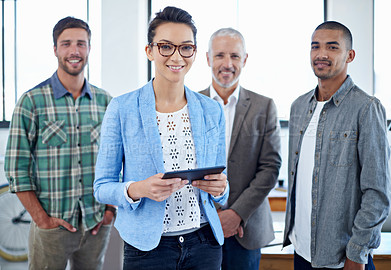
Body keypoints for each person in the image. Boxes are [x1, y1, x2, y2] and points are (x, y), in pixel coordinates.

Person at [93, 6, 228, 270]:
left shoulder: (212, 110)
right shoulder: (123, 108)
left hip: (204, 244)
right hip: (147, 249)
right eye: (166, 46)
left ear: (194, 53)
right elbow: (101, 187)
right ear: (150, 50)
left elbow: (222, 186)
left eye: (185, 47)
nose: (176, 56)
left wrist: (221, 189)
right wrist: (138, 189)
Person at [4, 17, 113, 270]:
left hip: (96, 223)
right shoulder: (31, 102)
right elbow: (16, 168)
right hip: (51, 227)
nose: (74, 51)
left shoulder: (105, 102)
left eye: (81, 44)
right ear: (55, 49)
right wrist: (41, 219)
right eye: (66, 44)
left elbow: (118, 160)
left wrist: (110, 211)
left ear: (89, 48)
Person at [283, 21, 391, 270]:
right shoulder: (298, 107)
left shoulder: (366, 108)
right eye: (315, 47)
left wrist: (358, 253)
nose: (321, 54)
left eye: (332, 47)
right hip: (302, 252)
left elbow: (378, 193)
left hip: (344, 258)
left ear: (349, 55)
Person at [199, 28, 282, 270]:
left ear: (245, 59)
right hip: (200, 226)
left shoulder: (264, 106)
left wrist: (235, 214)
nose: (227, 64)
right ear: (207, 58)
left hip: (246, 228)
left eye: (235, 56)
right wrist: (214, 214)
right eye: (220, 55)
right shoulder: (191, 103)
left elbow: (270, 168)